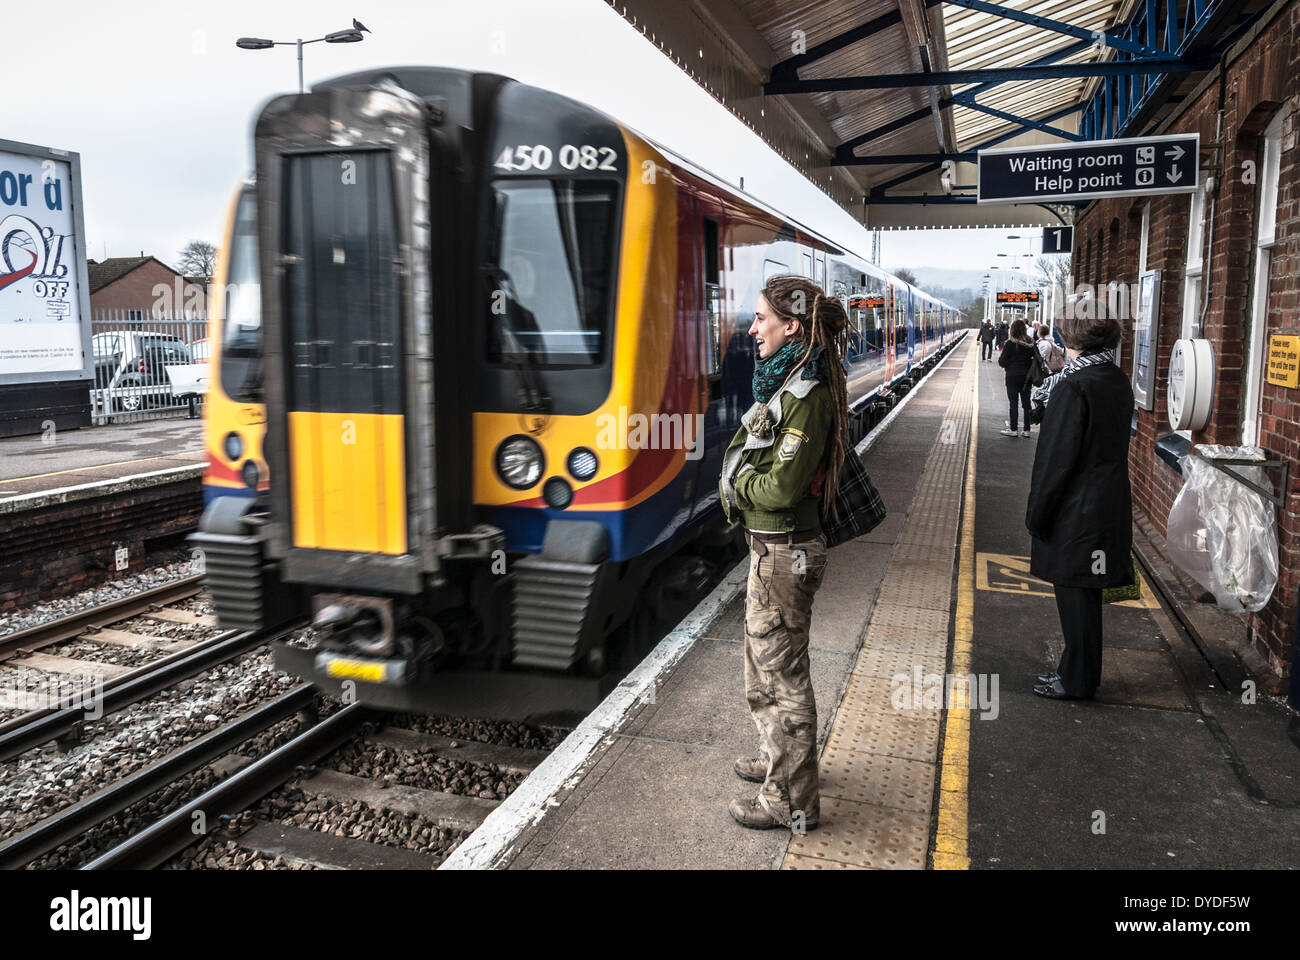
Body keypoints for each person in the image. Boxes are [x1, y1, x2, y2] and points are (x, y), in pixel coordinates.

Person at [718, 274, 849, 832]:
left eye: (761, 319)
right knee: (762, 674)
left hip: (785, 553)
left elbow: (780, 488)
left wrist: (738, 484)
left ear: (791, 325)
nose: (752, 330)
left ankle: (792, 802)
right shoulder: (786, 384)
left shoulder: (807, 396)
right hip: (771, 551)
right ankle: (785, 765)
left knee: (784, 680)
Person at [1025, 311, 1133, 700]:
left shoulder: (1073, 386)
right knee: (1085, 597)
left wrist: (1037, 514)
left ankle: (1077, 681)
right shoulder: (1113, 378)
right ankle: (1079, 674)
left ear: (1071, 342)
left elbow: (1056, 458)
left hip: (1076, 511)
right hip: (1105, 503)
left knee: (1075, 597)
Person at [997, 318, 1036, 438]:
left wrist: (1009, 364)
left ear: (1012, 330)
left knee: (1013, 403)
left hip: (1012, 377)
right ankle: (1027, 429)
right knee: (1026, 404)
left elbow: (1002, 362)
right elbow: (1036, 360)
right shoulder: (1031, 343)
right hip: (1027, 378)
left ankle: (1013, 429)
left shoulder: (1010, 343)